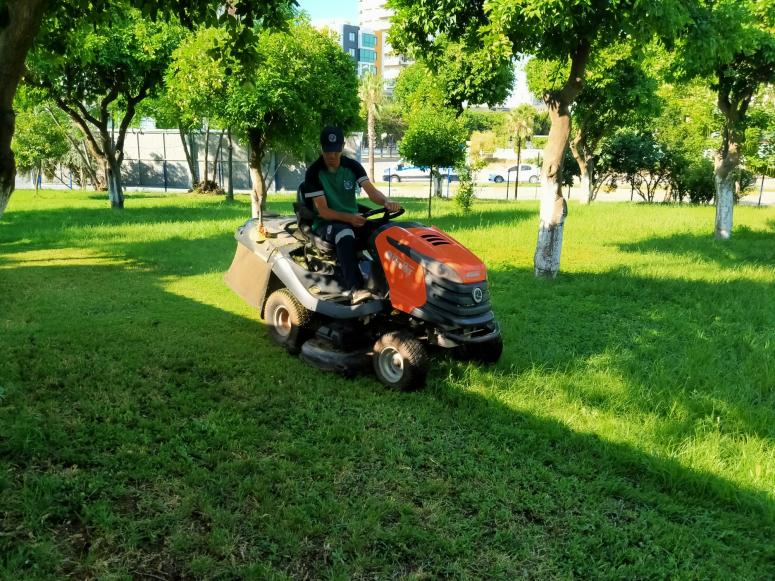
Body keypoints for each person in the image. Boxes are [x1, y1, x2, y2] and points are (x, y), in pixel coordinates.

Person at [304, 126, 402, 304]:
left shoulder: (352, 166)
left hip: (352, 219)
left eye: (335, 151)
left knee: (384, 232)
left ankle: (391, 282)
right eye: (327, 151)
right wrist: (350, 218)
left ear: (341, 147)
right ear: (321, 149)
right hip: (326, 224)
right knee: (345, 233)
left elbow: (372, 193)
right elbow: (323, 211)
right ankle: (355, 289)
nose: (331, 156)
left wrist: (386, 202)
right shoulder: (313, 173)